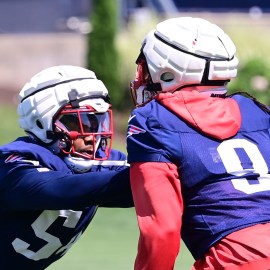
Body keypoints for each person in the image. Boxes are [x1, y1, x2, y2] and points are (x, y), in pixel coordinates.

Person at [126, 16, 270, 270]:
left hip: (235, 258)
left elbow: (161, 232)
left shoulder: (154, 119)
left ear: (168, 68)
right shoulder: (257, 111)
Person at [0, 65, 133, 269]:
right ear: (42, 123)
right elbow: (60, 188)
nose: (91, 135)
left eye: (96, 122)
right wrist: (153, 173)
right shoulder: (13, 162)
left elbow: (142, 187)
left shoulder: (95, 161)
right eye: (78, 123)